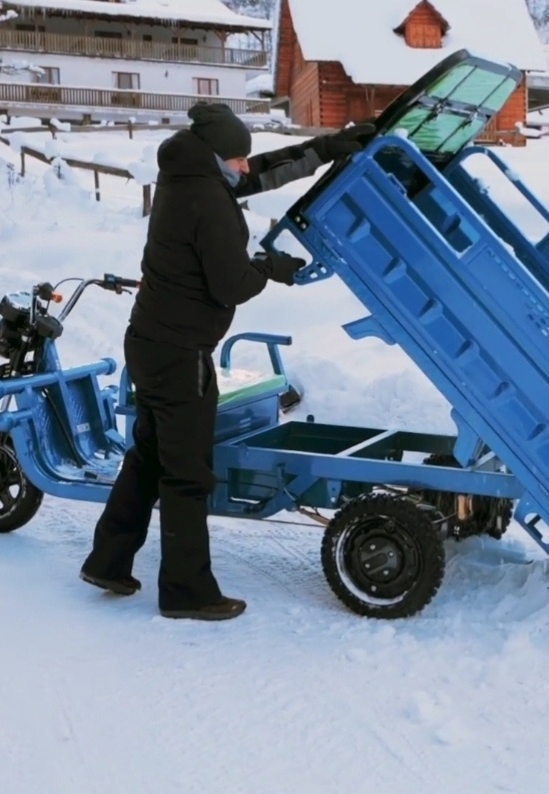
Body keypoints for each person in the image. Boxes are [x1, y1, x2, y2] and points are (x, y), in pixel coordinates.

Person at [79, 102, 374, 621]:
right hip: (181, 355)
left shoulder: (188, 176)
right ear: (216, 157)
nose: (243, 167)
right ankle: (186, 592)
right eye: (236, 159)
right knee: (188, 474)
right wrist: (269, 267)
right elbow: (231, 284)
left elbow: (258, 172)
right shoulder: (207, 200)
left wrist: (324, 149)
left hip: (150, 343)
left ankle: (108, 561)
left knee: (149, 456)